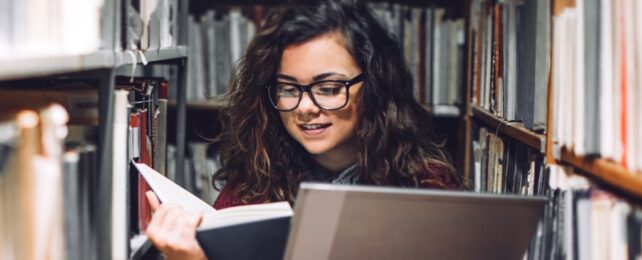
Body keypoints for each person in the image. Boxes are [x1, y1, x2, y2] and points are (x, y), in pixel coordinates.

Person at [145, 0, 463, 258]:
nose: (304, 107)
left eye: (328, 88)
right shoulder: (250, 191)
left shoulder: (429, 187)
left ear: (374, 87)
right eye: (289, 88)